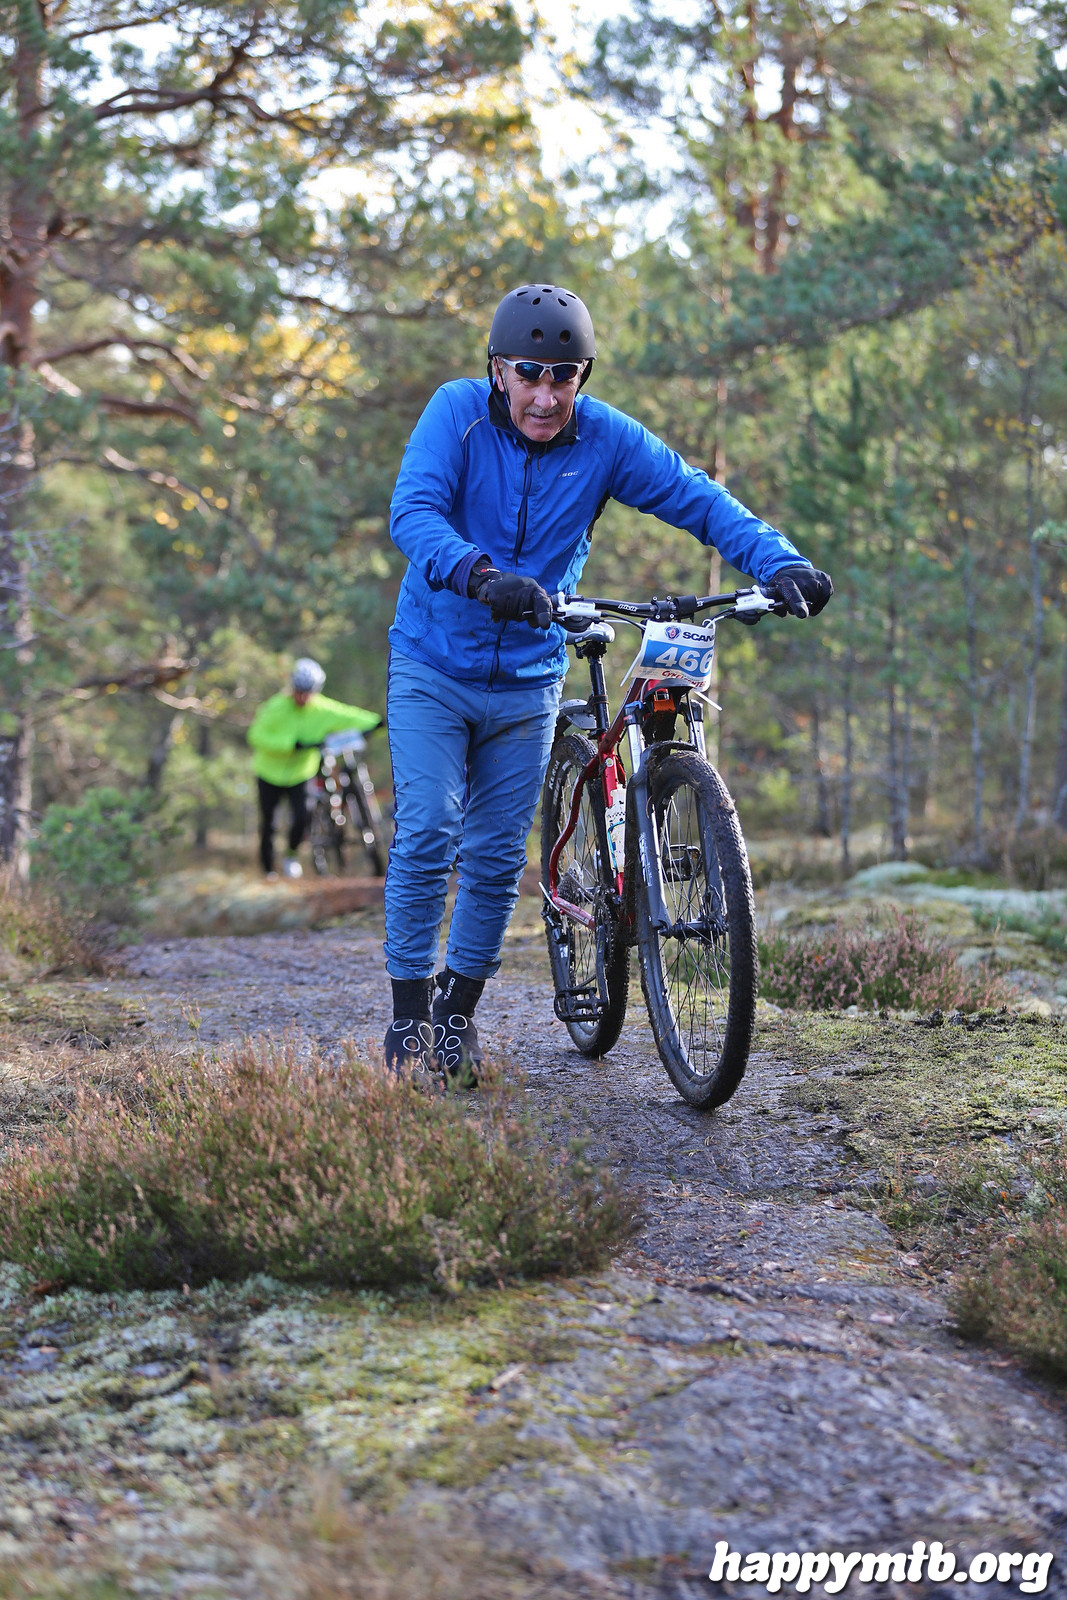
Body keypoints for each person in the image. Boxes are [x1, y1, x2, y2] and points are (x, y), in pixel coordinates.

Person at [385, 283, 833, 1078]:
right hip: (432, 662)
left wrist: (779, 561)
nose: (545, 395)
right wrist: (479, 574)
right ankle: (408, 1015)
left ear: (582, 377)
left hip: (528, 675)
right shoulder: (455, 413)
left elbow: (699, 498)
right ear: (497, 370)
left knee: (495, 856)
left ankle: (455, 1016)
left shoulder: (603, 438)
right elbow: (413, 513)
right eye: (529, 374)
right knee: (427, 830)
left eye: (563, 377)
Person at [247, 658, 381, 879]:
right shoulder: (275, 707)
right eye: (299, 692)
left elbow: (350, 715)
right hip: (269, 773)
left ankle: (291, 855)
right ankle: (268, 869)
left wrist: (377, 722)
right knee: (269, 823)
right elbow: (256, 736)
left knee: (302, 817)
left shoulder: (322, 708)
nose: (302, 697)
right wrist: (291, 745)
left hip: (300, 773)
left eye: (307, 693)